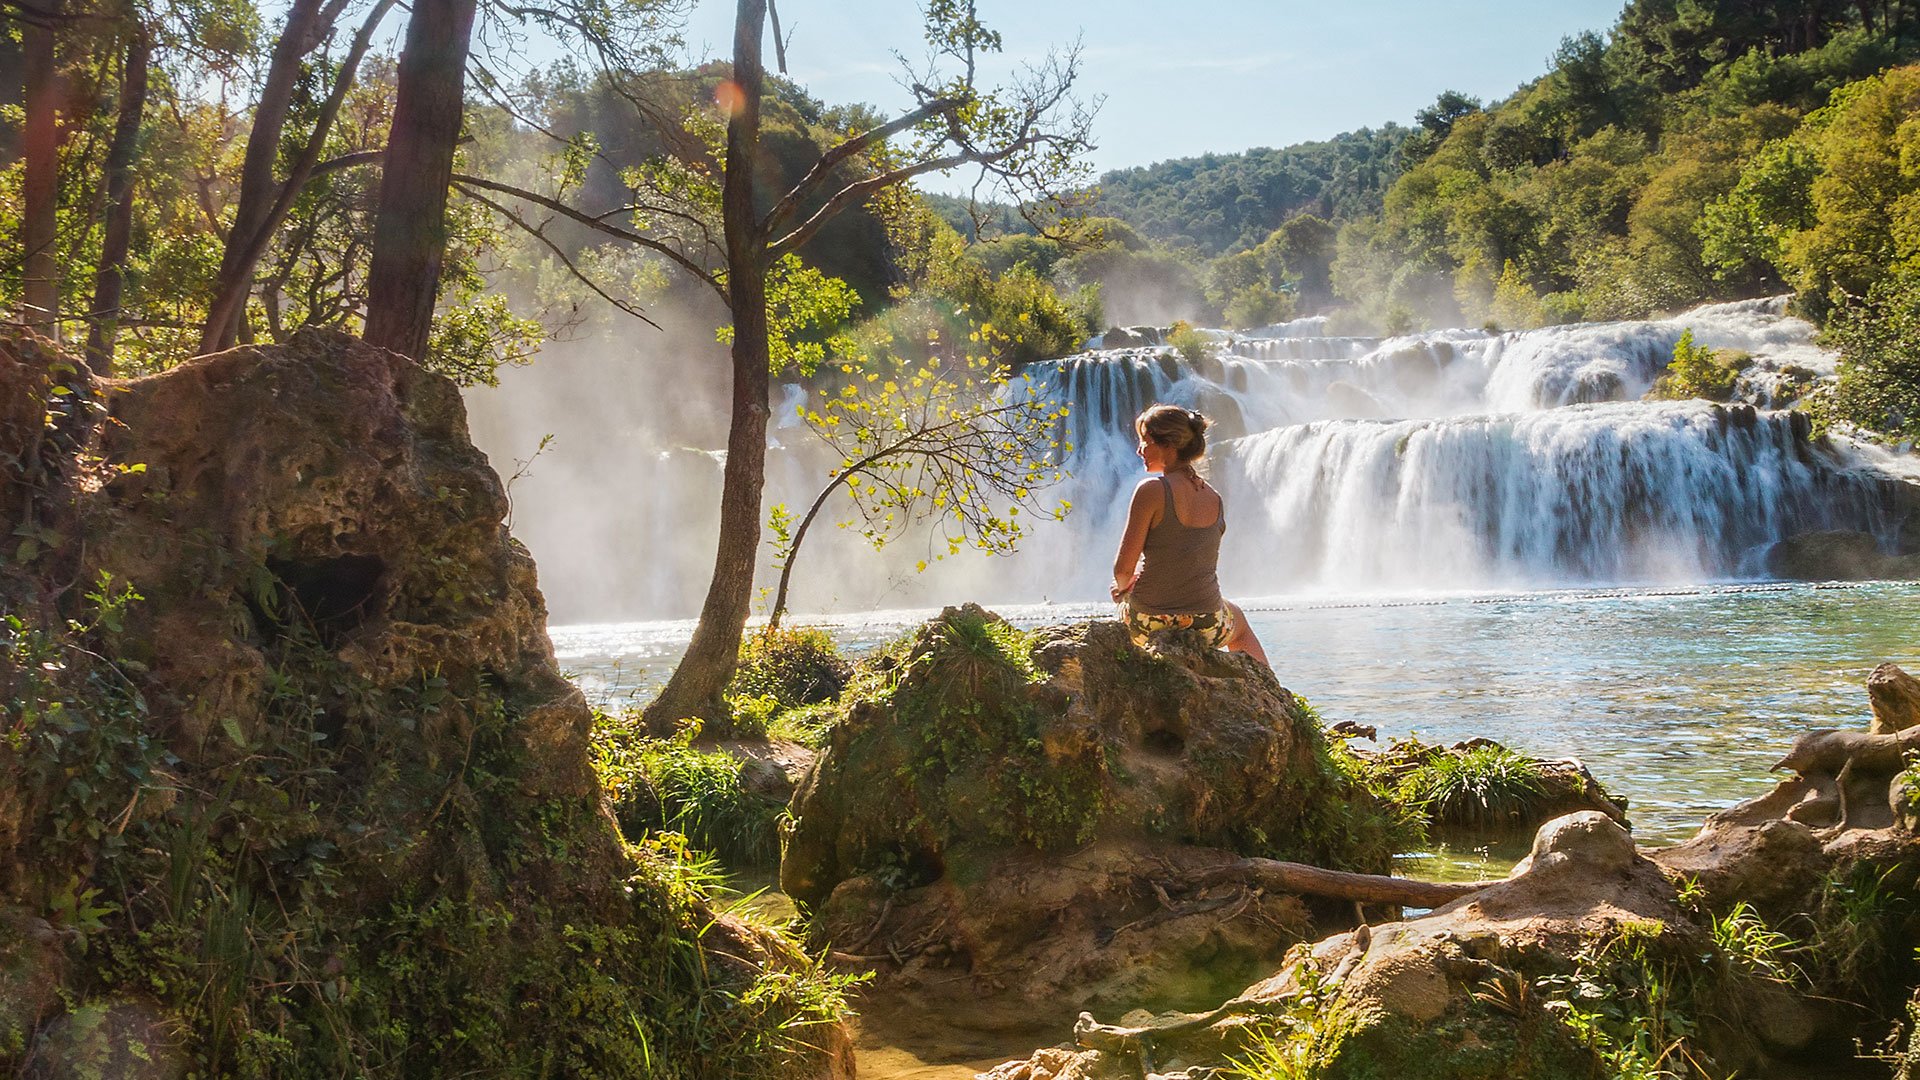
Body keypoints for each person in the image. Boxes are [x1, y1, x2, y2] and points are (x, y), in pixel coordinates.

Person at [1110, 404, 1270, 665]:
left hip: (1147, 621)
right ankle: (1273, 696)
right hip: (1207, 621)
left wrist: (1123, 588)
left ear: (1169, 445)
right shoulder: (1213, 497)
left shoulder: (1150, 490)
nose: (1140, 450)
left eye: (1145, 441)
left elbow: (1122, 570)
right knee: (1238, 622)